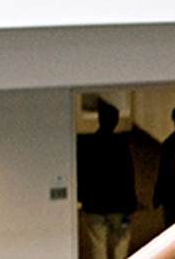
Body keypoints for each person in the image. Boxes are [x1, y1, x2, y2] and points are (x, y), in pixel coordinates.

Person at [78, 97, 137, 259]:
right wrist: (131, 205)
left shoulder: (88, 145)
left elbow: (82, 174)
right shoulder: (121, 146)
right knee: (121, 241)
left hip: (94, 204)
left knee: (97, 244)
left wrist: (82, 199)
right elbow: (128, 176)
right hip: (118, 204)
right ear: (116, 121)